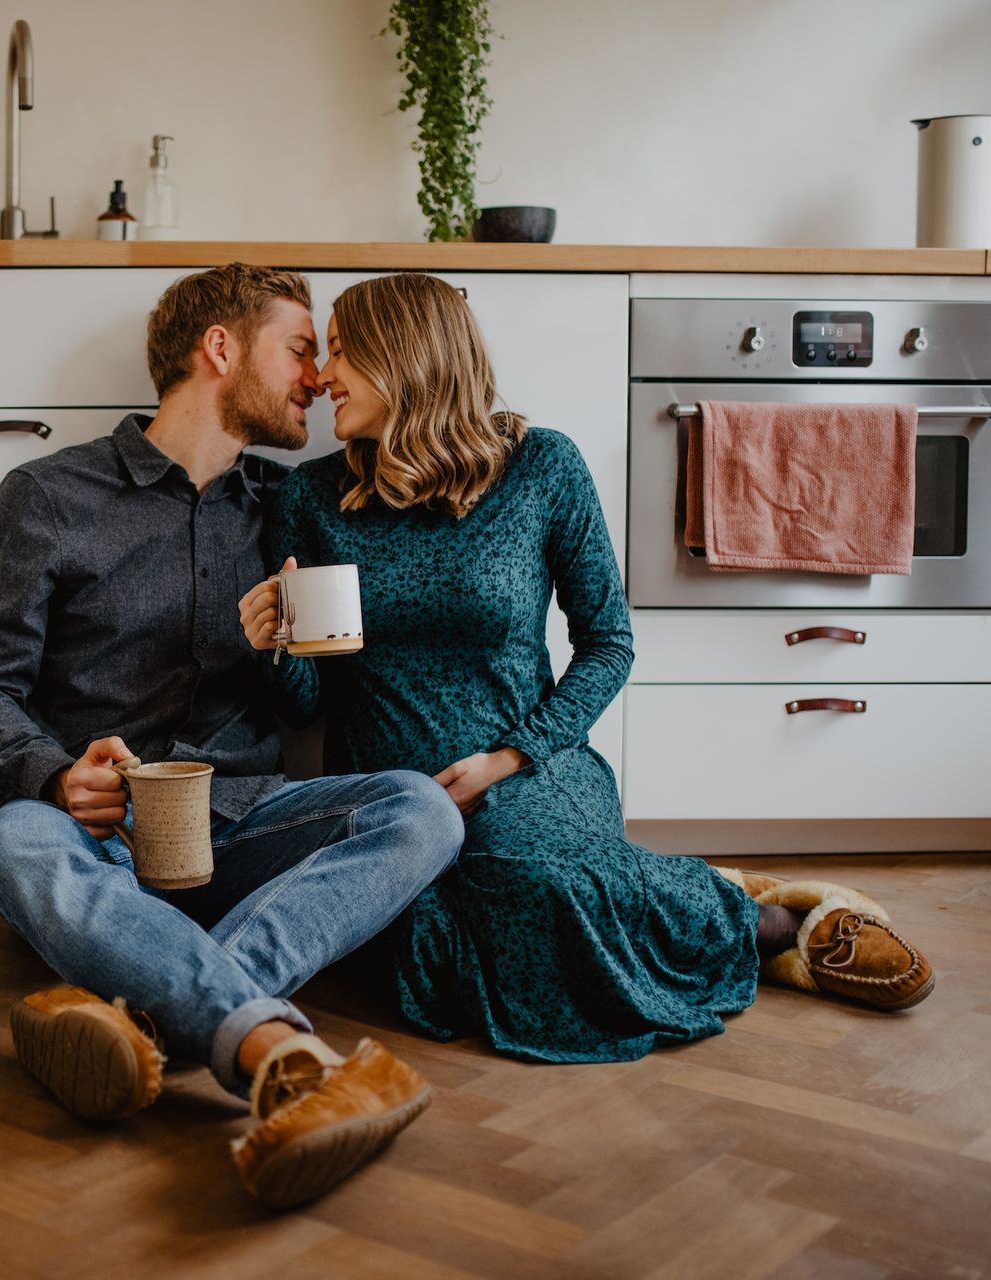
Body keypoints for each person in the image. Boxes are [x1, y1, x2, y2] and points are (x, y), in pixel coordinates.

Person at [240, 272, 934, 1065]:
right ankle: (697, 894)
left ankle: (774, 925)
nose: (324, 376)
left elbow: (609, 642)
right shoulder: (310, 499)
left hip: (531, 761)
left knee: (536, 881)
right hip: (394, 788)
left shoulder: (543, 467)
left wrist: (509, 757)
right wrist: (273, 647)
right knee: (440, 942)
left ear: (406, 355)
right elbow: (303, 706)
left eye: (342, 353)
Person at [0, 263, 465, 1209]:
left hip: (244, 825)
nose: (316, 377)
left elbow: (308, 700)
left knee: (421, 809)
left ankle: (152, 1017)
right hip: (95, 834)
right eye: (301, 349)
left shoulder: (286, 506)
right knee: (6, 839)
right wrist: (56, 776)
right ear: (220, 350)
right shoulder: (46, 496)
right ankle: (272, 1048)